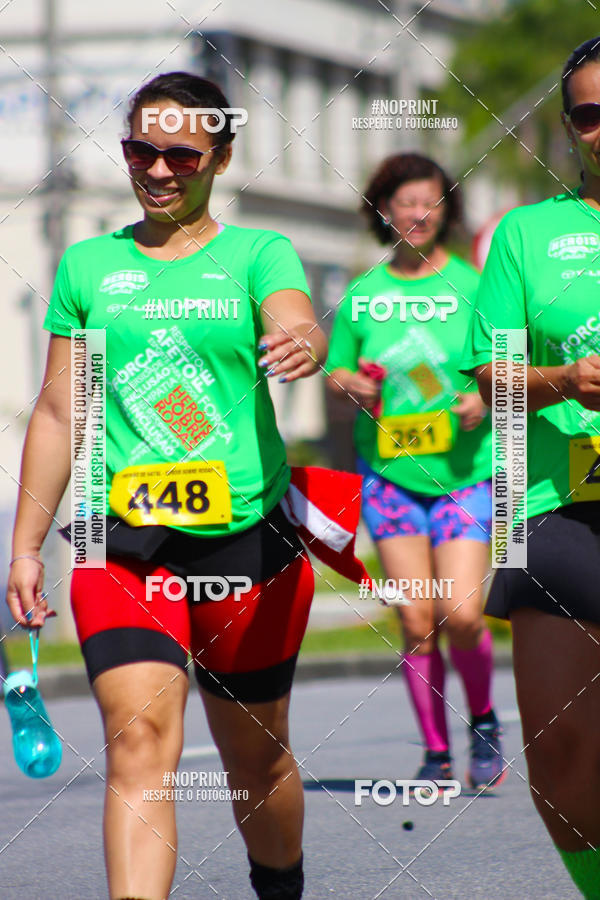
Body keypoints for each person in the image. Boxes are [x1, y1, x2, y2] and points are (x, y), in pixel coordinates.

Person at [6, 72, 329, 900]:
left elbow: (294, 313)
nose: (157, 169)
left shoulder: (259, 253)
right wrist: (27, 546)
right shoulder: (88, 266)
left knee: (255, 755)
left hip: (245, 541)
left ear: (220, 155)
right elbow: (56, 410)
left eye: (180, 153)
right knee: (140, 738)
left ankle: (280, 883)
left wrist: (301, 339)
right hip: (125, 545)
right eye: (139, 150)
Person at [461, 37, 600, 899]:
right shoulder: (529, 234)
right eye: (589, 114)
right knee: (556, 749)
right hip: (554, 505)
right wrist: (566, 380)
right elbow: (489, 371)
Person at [326, 152, 505, 790]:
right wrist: (355, 386)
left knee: (461, 615)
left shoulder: (476, 287)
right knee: (414, 618)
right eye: (406, 202)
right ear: (384, 211)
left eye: (431, 201)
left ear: (446, 209)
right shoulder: (363, 294)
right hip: (390, 479)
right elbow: (338, 369)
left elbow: (508, 367)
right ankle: (435, 751)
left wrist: (484, 399)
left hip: (466, 476)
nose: (419, 213)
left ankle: (483, 717)